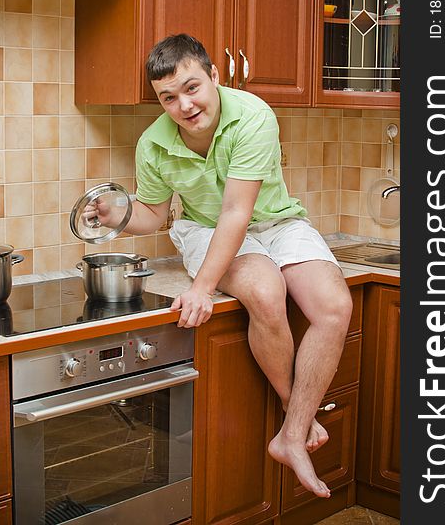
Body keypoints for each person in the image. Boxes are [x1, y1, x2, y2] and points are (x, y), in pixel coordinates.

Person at [91, 33, 352, 498]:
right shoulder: (152, 143)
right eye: (168, 97)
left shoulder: (252, 115)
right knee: (265, 291)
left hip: (275, 220)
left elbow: (239, 210)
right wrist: (121, 213)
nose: (183, 105)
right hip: (204, 230)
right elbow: (155, 212)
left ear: (214, 76)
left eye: (192, 88)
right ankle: (298, 419)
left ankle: (290, 435)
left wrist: (201, 289)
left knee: (334, 305)